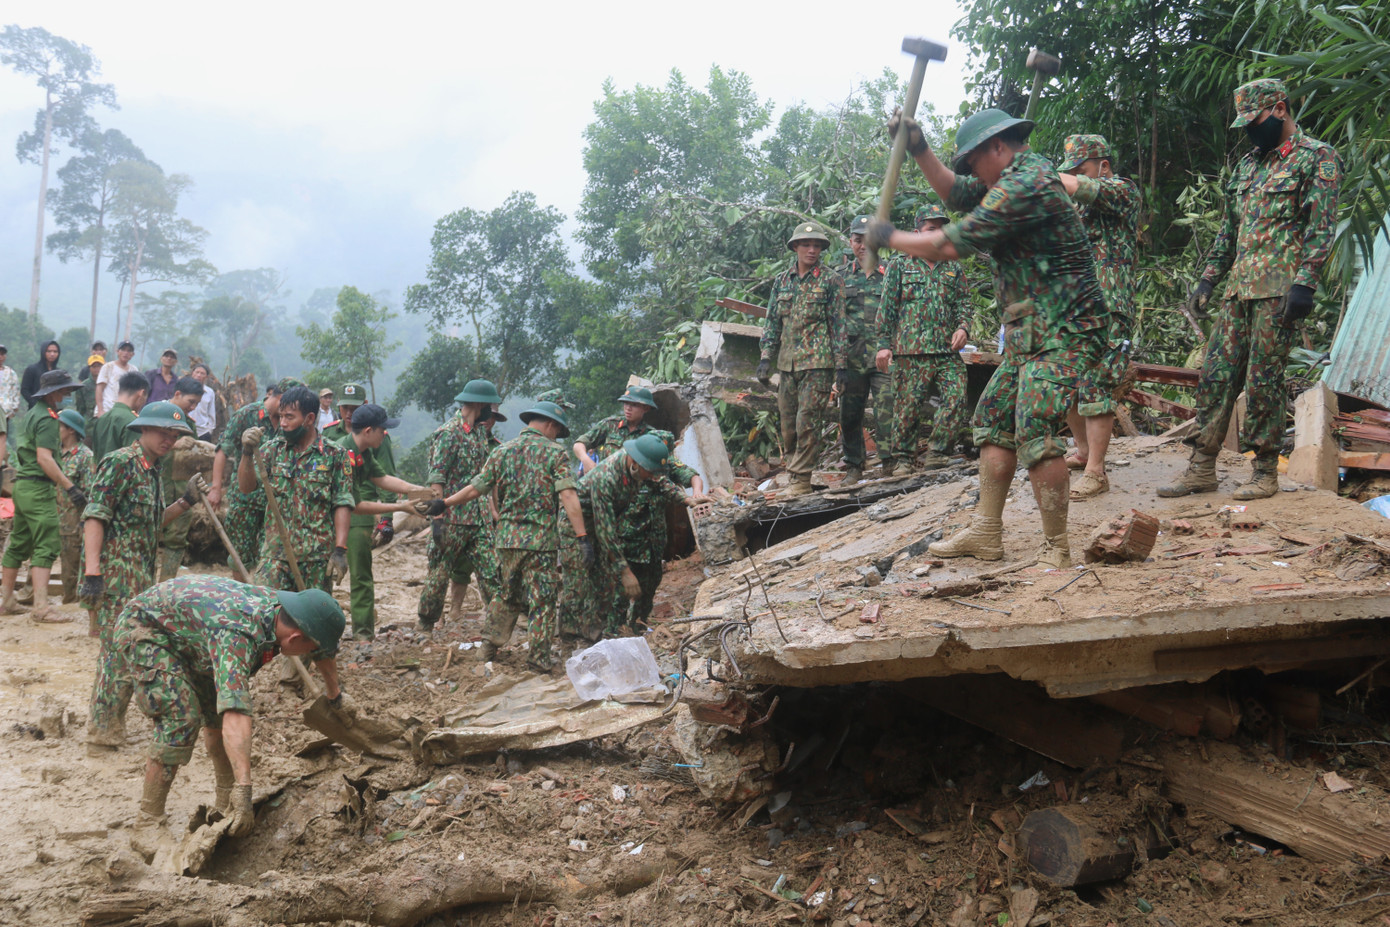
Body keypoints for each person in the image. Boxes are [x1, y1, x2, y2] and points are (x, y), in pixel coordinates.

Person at [868, 106, 1109, 568]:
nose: (971, 173)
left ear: (996, 148)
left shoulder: (1028, 184)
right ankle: (986, 531)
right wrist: (918, 148)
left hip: (1067, 328)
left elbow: (953, 243)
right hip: (1031, 331)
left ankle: (1056, 550)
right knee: (995, 420)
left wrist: (888, 235)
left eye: (973, 161)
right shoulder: (1007, 177)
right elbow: (958, 194)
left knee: (1035, 427)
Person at [1160, 78, 1341, 501]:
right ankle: (1202, 467)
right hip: (1238, 291)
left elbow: (1321, 227)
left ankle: (1264, 470)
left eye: (1254, 120)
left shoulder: (1317, 158)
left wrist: (1305, 283)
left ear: (1280, 109)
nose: (1249, 130)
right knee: (1216, 377)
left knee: (1264, 382)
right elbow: (1229, 231)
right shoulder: (1248, 165)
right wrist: (1208, 278)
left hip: (1279, 292)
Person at [111, 576, 343, 856]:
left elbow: (322, 648)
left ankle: (224, 802)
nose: (309, 655)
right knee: (180, 718)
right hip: (147, 628)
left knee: (215, 717)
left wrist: (336, 697)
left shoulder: (287, 612)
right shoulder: (238, 633)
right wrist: (245, 789)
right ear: (295, 638)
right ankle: (147, 824)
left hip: (194, 634)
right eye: (308, 650)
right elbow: (236, 714)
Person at [82, 401, 200, 753]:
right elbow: (95, 517)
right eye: (164, 431)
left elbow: (151, 523)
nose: (169, 439)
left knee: (128, 652)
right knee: (116, 656)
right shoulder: (119, 463)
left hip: (139, 579)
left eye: (175, 434)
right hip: (115, 577)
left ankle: (108, 728)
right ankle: (101, 736)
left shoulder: (152, 471)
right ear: (144, 429)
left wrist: (186, 502)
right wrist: (92, 572)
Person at [441, 401, 586, 669]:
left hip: (507, 539)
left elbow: (475, 488)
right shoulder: (556, 454)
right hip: (540, 542)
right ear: (550, 425)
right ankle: (538, 661)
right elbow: (568, 495)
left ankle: (487, 649)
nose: (557, 436)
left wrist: (446, 503)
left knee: (505, 595)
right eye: (557, 431)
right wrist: (582, 537)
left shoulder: (502, 451)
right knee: (542, 601)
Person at [1053, 135, 1142, 500]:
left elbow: (1079, 188)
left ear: (1103, 166)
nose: (1074, 177)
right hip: (1073, 306)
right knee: (1069, 382)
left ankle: (1097, 471)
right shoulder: (1078, 207)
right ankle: (1084, 451)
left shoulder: (1122, 191)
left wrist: (1048, 176)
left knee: (1096, 383)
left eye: (1081, 169)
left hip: (1108, 304)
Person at [876, 203, 973, 475]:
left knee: (956, 398)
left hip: (946, 351)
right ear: (917, 231)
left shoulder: (953, 266)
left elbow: (964, 303)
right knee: (907, 408)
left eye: (942, 228)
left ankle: (938, 453)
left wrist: (963, 328)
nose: (938, 233)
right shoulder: (899, 264)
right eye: (932, 229)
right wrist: (884, 345)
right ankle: (904, 459)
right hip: (910, 351)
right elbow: (887, 309)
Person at [755, 222, 848, 498]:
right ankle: (795, 474)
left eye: (817, 246)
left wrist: (840, 366)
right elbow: (772, 321)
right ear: (795, 247)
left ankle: (802, 480)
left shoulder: (831, 280)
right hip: (787, 365)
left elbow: (839, 326)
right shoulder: (783, 281)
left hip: (818, 364)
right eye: (806, 245)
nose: (812, 250)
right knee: (788, 425)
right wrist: (765, 358)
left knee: (807, 422)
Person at [237, 385, 353, 592]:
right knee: (267, 614)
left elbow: (342, 502)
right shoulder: (272, 450)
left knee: (311, 620)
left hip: (315, 559)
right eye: (281, 416)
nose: (283, 423)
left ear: (309, 419)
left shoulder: (335, 455)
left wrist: (340, 550)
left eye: (290, 417)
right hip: (275, 556)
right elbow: (246, 487)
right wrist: (246, 452)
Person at [334, 403, 432, 639]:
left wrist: (417, 490)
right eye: (382, 429)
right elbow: (354, 505)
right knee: (329, 580)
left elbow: (381, 478)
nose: (385, 434)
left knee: (361, 578)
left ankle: (363, 635)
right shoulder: (341, 455)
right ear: (368, 431)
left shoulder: (363, 453)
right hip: (333, 523)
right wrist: (401, 506)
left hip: (353, 520)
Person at [419, 380, 503, 633]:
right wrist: (438, 519)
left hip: (479, 519)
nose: (492, 410)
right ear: (479, 403)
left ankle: (497, 627)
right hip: (452, 518)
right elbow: (437, 477)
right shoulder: (448, 433)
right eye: (490, 404)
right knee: (439, 575)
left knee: (492, 572)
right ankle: (425, 625)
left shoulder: (479, 432)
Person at [0, 370, 83, 620]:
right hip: (38, 488)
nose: (67, 394)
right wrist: (70, 487)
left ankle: (6, 600)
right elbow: (44, 458)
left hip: (22, 486)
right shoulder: (48, 419)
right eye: (65, 390)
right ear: (55, 392)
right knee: (47, 543)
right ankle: (41, 607)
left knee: (18, 543)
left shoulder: (30, 415)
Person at [210, 378, 298, 579]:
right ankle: (242, 597)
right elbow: (223, 449)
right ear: (280, 398)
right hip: (245, 499)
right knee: (240, 554)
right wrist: (216, 487)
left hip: (273, 501)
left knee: (269, 554)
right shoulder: (248, 415)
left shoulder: (291, 422)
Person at [839, 215, 890, 484]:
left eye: (868, 240)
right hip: (851, 358)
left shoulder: (892, 274)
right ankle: (854, 466)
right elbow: (832, 321)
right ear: (851, 242)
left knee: (887, 410)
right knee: (849, 413)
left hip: (884, 357)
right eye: (858, 240)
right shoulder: (839, 278)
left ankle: (889, 464)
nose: (863, 246)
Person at [156, 377, 208, 582]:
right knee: (147, 535)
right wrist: (173, 444)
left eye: (197, 403)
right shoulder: (156, 414)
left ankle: (164, 586)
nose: (193, 407)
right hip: (157, 484)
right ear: (177, 394)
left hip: (181, 489)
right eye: (191, 402)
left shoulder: (189, 423)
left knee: (176, 540)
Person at [55, 409, 94, 610]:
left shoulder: (85, 456)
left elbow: (89, 493)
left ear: (70, 430)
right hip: (51, 516)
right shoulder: (53, 452)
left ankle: (70, 603)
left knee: (70, 566)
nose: (56, 430)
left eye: (59, 426)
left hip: (72, 521)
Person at [573, 386, 658, 473]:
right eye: (626, 403)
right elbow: (579, 444)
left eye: (634, 405)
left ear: (646, 408)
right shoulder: (610, 425)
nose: (628, 408)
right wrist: (585, 459)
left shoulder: (651, 436)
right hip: (605, 482)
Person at [90, 370, 151, 461]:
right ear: (141, 393)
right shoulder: (133, 422)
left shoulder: (101, 419)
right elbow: (136, 460)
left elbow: (95, 459)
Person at [95, 341, 136, 416]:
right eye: (123, 349)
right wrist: (100, 410)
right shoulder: (108, 367)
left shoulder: (134, 370)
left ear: (132, 354)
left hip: (123, 412)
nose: (125, 353)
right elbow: (99, 388)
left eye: (129, 350)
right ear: (118, 351)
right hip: (107, 410)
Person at [21, 340, 62, 408]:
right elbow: (24, 390)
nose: (52, 354)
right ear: (43, 352)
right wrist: (34, 403)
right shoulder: (32, 369)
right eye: (49, 351)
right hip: (36, 410)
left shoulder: (59, 372)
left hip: (54, 409)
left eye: (55, 352)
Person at [73, 354, 105, 434]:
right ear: (89, 368)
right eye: (94, 366)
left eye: (99, 366)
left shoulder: (109, 384)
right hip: (89, 428)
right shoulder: (83, 387)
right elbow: (80, 409)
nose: (97, 368)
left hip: (105, 427)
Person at [0, 345, 20, 466]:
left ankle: (2, 460)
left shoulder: (10, 373)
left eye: (3, 354)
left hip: (5, 409)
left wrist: (14, 407)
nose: (1, 357)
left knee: (3, 435)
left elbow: (15, 390)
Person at [188, 363, 217, 440]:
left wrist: (209, 430)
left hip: (203, 432)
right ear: (192, 373)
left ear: (206, 377)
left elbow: (211, 413)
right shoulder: (184, 389)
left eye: (202, 373)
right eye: (197, 372)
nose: (199, 375)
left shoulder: (209, 392)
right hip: (185, 429)